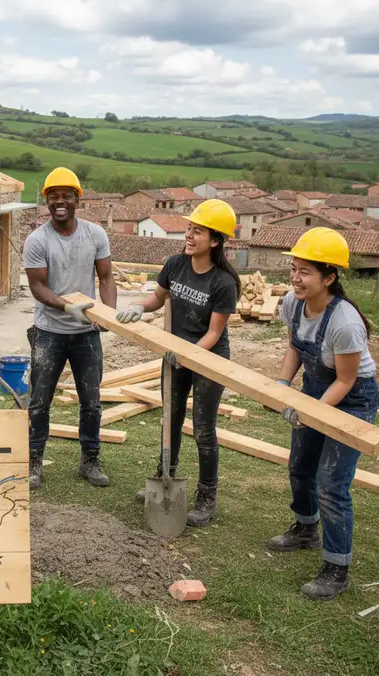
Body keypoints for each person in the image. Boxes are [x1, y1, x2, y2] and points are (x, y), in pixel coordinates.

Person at [265, 228, 378, 600]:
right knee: (300, 466)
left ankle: (336, 567)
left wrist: (308, 409)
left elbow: (345, 380)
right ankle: (305, 529)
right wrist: (283, 384)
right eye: (293, 269)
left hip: (353, 399)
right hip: (316, 389)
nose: (295, 278)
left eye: (305, 272)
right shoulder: (293, 303)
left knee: (331, 483)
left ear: (329, 278)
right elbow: (295, 348)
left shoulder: (345, 323)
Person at [117, 199, 240, 526]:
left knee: (202, 428)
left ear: (215, 241)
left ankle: (207, 496)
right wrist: (140, 307)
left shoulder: (223, 282)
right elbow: (159, 297)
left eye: (197, 231)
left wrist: (187, 355)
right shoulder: (175, 265)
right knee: (170, 418)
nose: (189, 235)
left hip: (208, 359)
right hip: (174, 354)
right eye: (189, 228)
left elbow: (214, 333)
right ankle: (165, 476)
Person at [23, 167, 117, 490]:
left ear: (78, 199)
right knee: (39, 401)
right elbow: (38, 286)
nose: (59, 201)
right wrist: (66, 306)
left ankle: (90, 460)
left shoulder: (95, 235)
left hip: (86, 333)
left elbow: (106, 277)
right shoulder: (37, 240)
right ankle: (34, 461)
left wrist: (108, 314)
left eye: (66, 196)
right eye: (53, 196)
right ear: (47, 201)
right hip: (48, 331)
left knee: (91, 401)